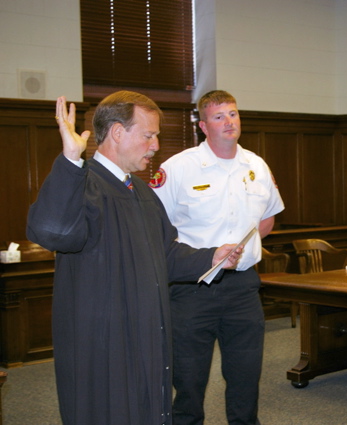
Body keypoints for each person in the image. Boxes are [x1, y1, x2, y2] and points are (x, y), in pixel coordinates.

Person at [27, 91, 243, 425]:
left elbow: (166, 252)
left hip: (145, 332)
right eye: (149, 135)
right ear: (117, 132)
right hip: (104, 340)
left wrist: (211, 257)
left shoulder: (139, 190)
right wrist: (70, 160)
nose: (156, 145)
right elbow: (52, 232)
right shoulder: (84, 184)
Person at [150, 90, 285, 425]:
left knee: (245, 377)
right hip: (192, 289)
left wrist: (241, 250)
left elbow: (266, 220)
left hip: (243, 288)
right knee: (189, 381)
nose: (229, 122)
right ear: (202, 125)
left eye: (234, 114)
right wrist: (206, 255)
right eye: (219, 116)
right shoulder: (178, 168)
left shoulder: (256, 165)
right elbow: (155, 226)